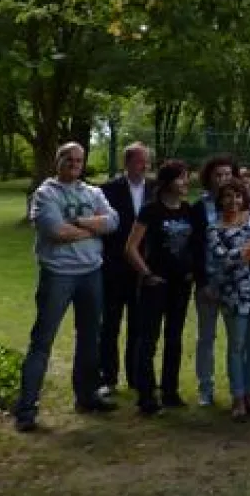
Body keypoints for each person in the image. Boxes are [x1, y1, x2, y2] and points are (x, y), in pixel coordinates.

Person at [13, 142, 120, 432]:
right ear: (58, 161)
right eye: (69, 159)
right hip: (58, 275)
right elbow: (56, 231)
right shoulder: (45, 194)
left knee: (90, 338)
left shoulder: (93, 192)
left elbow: (113, 221)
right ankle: (26, 409)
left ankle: (86, 397)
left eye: (79, 160)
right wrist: (93, 229)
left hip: (91, 273)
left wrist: (79, 222)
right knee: (42, 341)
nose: (75, 164)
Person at [124, 159, 195, 416]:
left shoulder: (188, 210)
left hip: (181, 285)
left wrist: (191, 271)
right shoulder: (151, 210)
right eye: (180, 177)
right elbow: (131, 248)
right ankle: (146, 396)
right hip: (155, 284)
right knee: (148, 340)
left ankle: (170, 391)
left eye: (186, 176)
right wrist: (147, 274)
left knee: (174, 339)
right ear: (166, 182)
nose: (185, 182)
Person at [208, 180, 250, 421]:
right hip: (234, 294)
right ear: (220, 200)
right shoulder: (214, 228)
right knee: (237, 346)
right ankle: (238, 397)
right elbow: (222, 259)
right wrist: (247, 250)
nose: (233, 201)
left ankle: (249, 389)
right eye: (228, 196)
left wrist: (239, 254)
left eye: (238, 196)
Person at [97, 141, 154, 395]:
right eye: (140, 161)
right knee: (110, 324)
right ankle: (108, 377)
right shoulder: (107, 190)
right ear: (127, 163)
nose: (145, 165)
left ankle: (135, 376)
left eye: (147, 161)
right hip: (114, 267)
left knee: (139, 325)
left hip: (143, 266)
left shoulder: (154, 189)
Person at [189, 154, 238, 407]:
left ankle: (238, 388)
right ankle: (205, 388)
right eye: (218, 175)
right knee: (206, 337)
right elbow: (195, 248)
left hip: (235, 283)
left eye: (228, 175)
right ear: (208, 178)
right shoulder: (199, 208)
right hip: (208, 282)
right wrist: (203, 282)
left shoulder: (241, 205)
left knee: (236, 339)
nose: (223, 180)